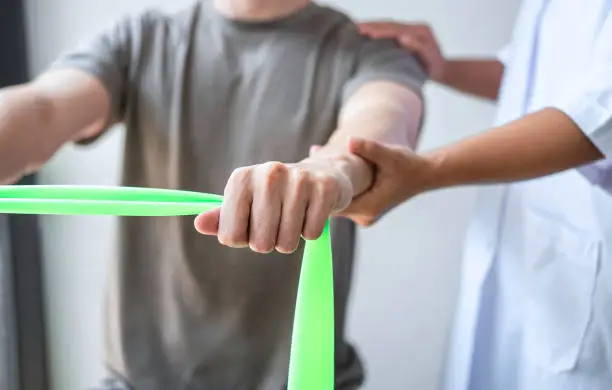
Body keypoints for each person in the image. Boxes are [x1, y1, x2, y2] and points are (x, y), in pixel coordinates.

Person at [0, 0, 427, 389]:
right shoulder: (136, 40)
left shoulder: (371, 50)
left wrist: (333, 168)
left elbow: (380, 124)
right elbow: (45, 108)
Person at [334, 1, 612, 390]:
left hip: (586, 275)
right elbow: (531, 75)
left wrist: (426, 171)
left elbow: (599, 116)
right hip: (519, 253)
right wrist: (445, 68)